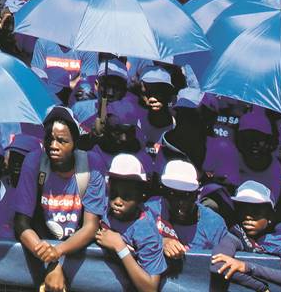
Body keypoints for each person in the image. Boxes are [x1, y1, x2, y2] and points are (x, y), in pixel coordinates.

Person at [12, 107, 96, 291]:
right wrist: (50, 260)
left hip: (78, 253)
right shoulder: (34, 162)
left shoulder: (92, 165)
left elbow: (91, 226)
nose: (53, 145)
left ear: (75, 142)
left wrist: (57, 252)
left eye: (62, 140)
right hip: (42, 247)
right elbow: (21, 223)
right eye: (49, 139)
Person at [85, 153, 168, 292]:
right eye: (114, 194)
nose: (117, 201)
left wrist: (120, 247)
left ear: (141, 195)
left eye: (126, 196)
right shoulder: (103, 207)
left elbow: (151, 288)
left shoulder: (146, 232)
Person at [211, 180, 281, 290]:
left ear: (271, 216)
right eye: (243, 209)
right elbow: (218, 265)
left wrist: (249, 267)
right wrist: (261, 288)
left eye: (256, 210)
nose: (248, 216)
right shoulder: (235, 236)